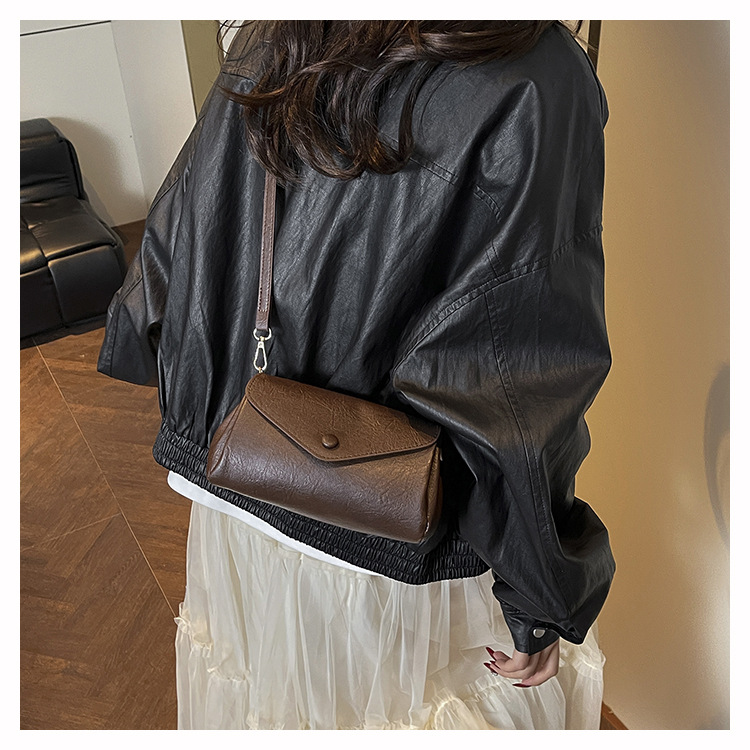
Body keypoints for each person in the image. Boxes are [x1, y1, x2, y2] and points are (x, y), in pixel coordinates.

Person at [98, 20, 615, 730]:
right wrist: (540, 593)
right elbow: (512, 371)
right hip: (405, 525)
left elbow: (184, 227)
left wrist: (175, 376)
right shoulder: (536, 77)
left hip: (248, 478)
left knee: (273, 707)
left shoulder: (282, 32)